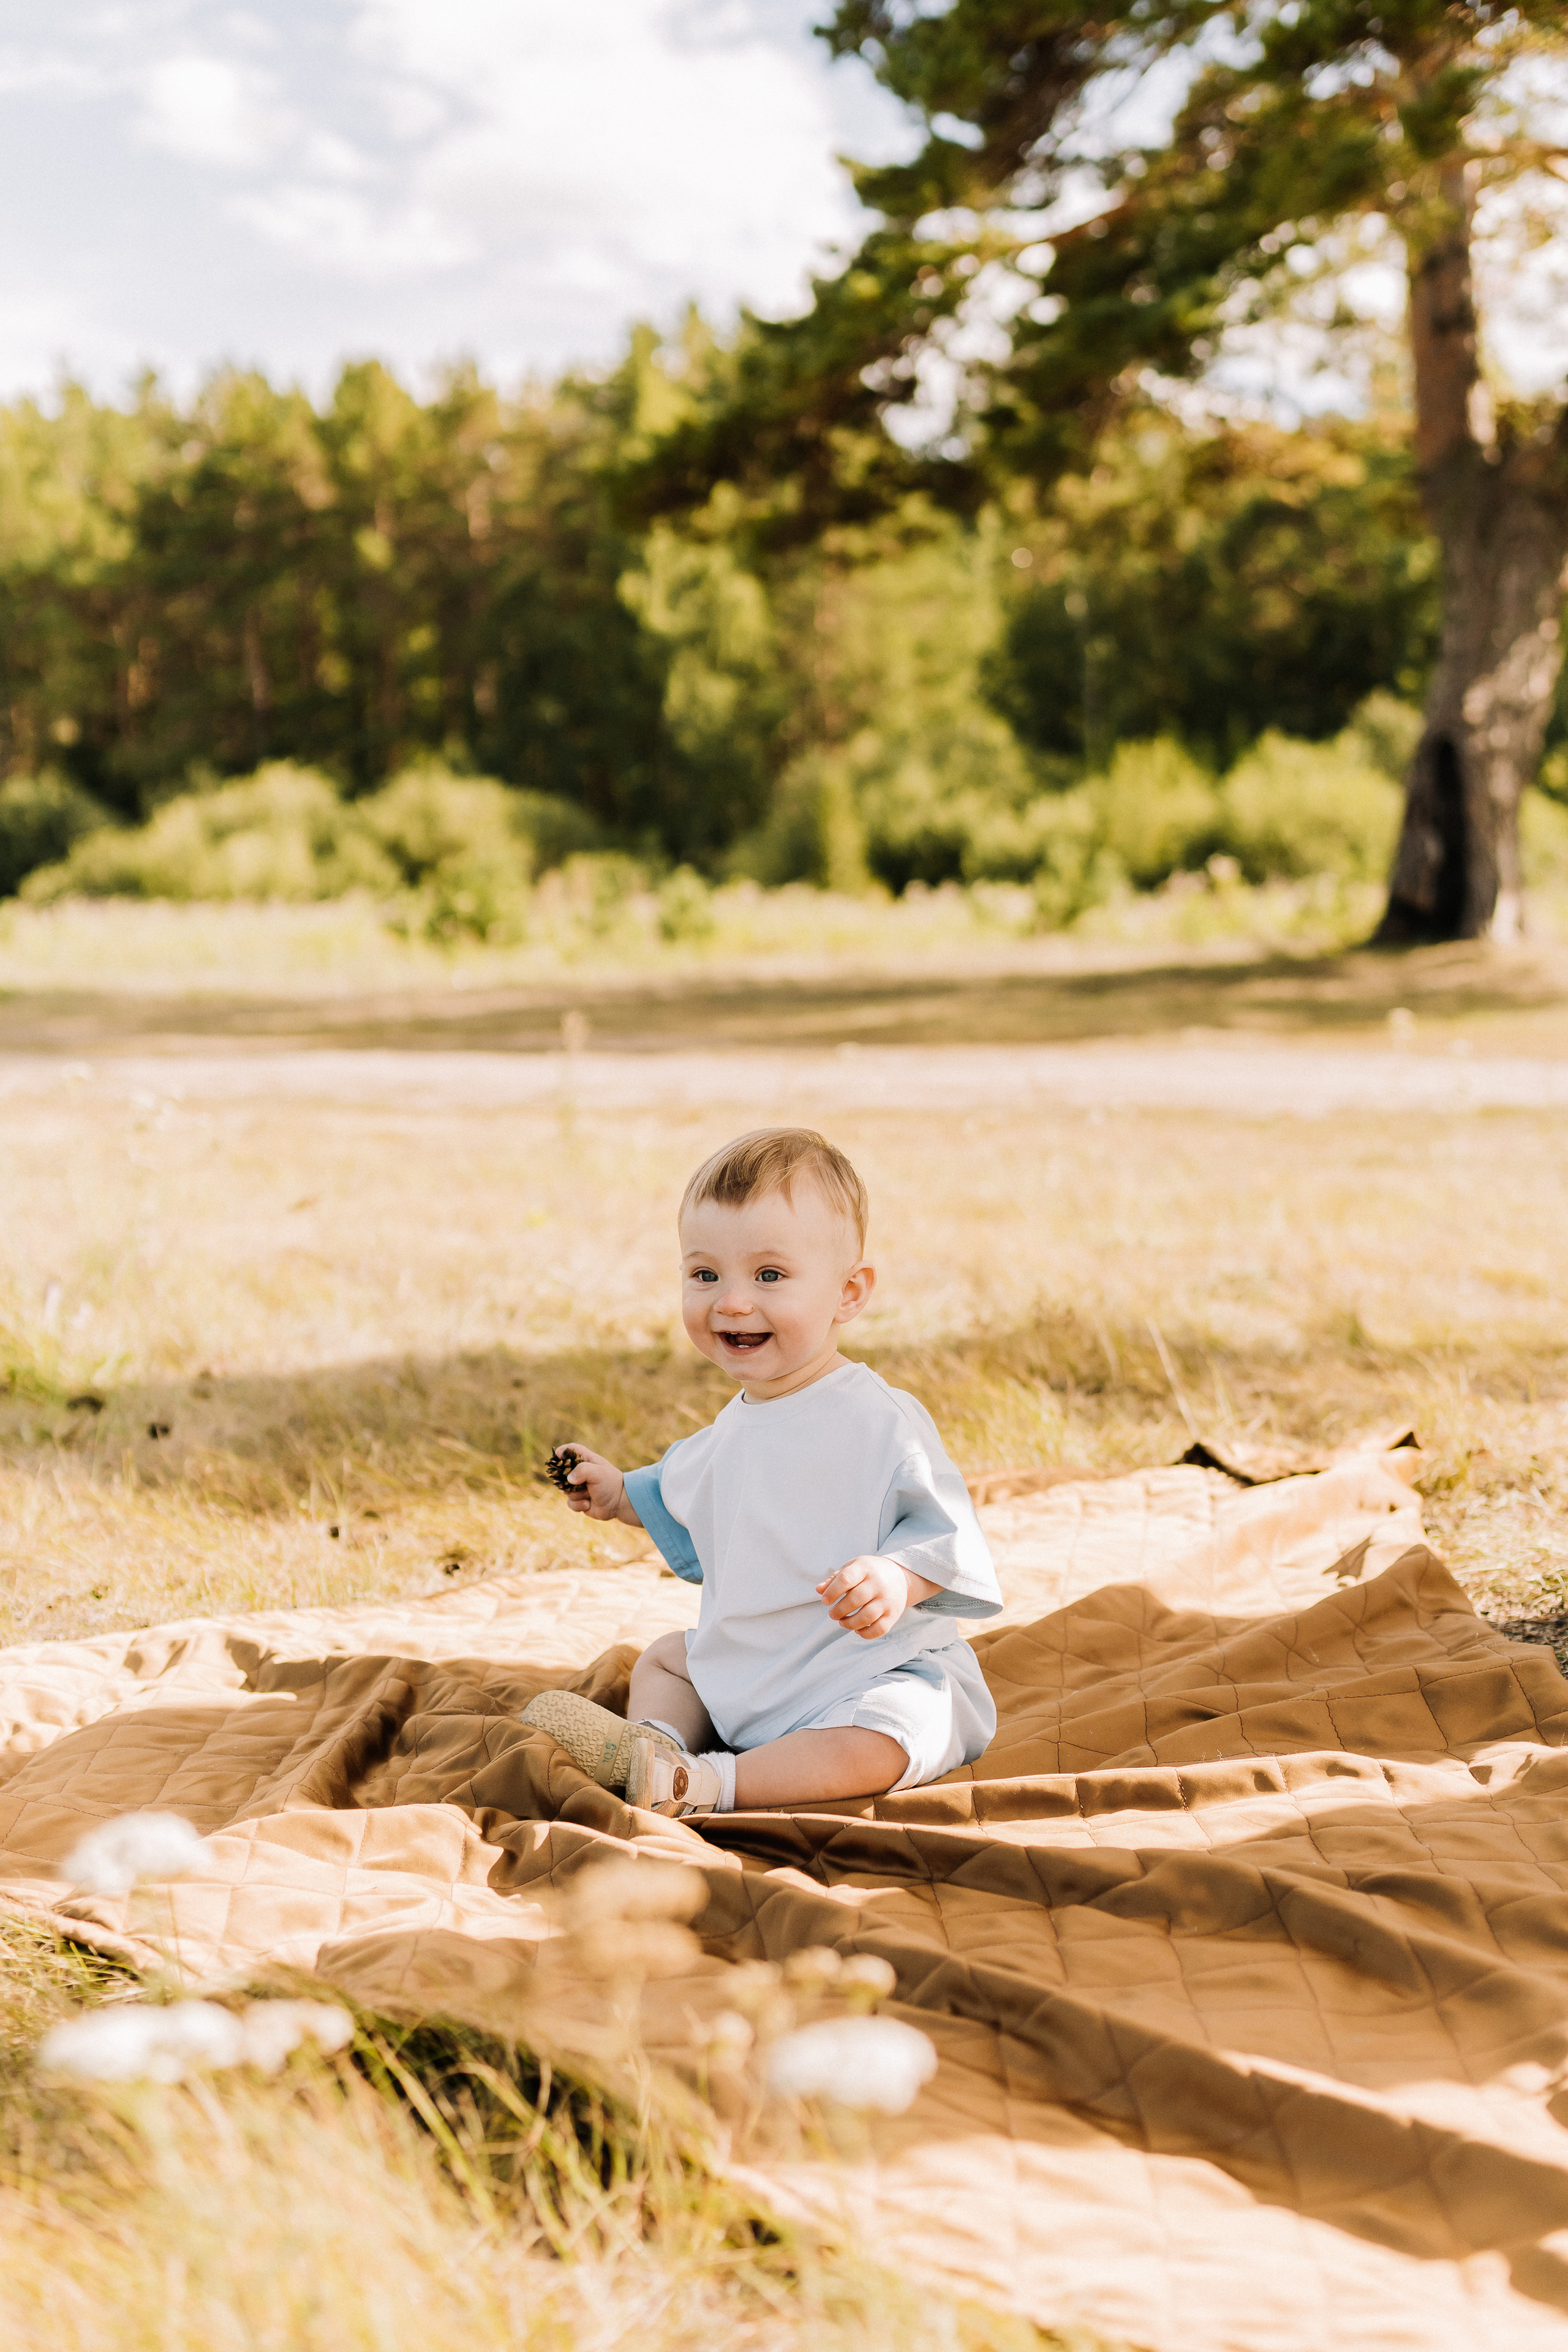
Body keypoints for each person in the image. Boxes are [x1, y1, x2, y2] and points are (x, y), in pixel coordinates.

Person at [521, 1126, 1001, 1818]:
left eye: (769, 1276)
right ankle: (651, 1750)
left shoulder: (879, 1420)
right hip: (750, 1672)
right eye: (705, 1274)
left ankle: (702, 1785)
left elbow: (949, 1534)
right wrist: (618, 1490)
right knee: (663, 1658)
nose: (733, 1302)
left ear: (848, 1293)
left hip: (857, 1672)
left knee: (895, 1731)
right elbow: (675, 1492)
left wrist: (897, 1576)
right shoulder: (730, 1429)